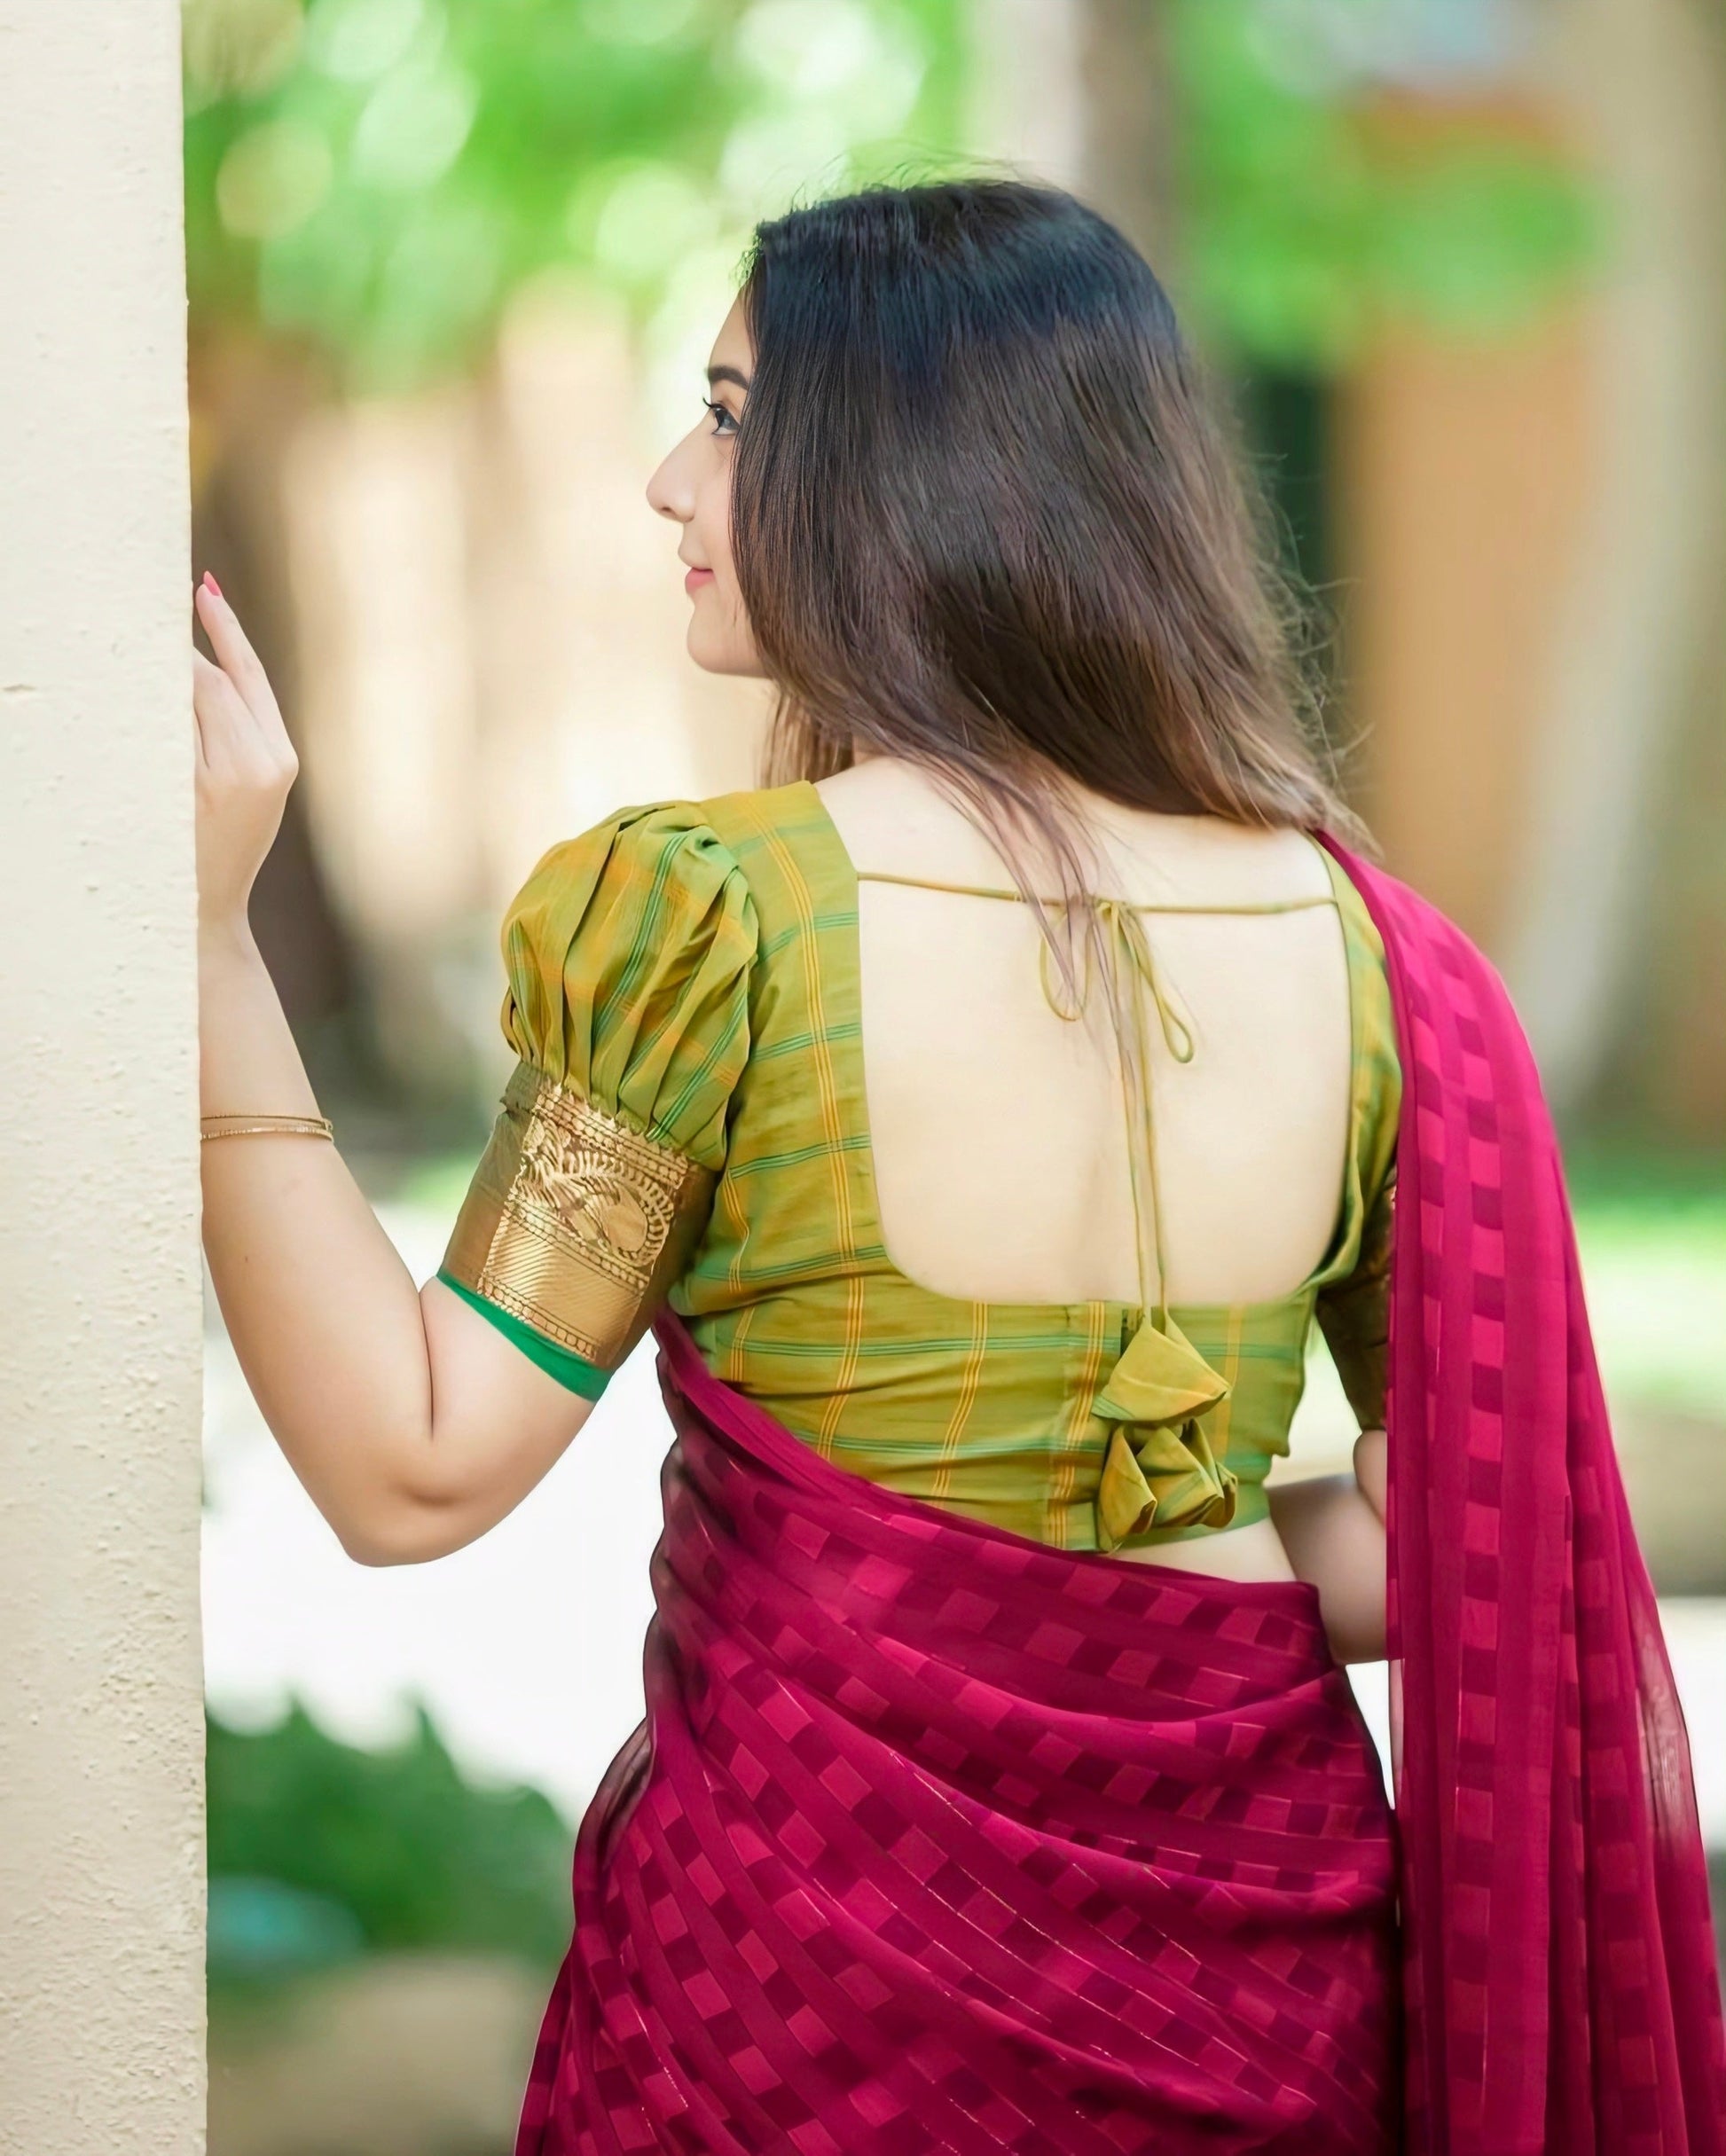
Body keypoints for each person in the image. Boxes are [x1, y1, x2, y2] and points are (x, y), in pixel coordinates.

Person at [193, 184, 1723, 2155]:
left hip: (801, 2003)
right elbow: (1454, 1528)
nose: (673, 482)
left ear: (908, 463)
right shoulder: (1382, 971)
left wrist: (212, 940)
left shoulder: (710, 927)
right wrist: (1152, 1575)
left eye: (734, 413)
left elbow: (413, 1461)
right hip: (1264, 2016)